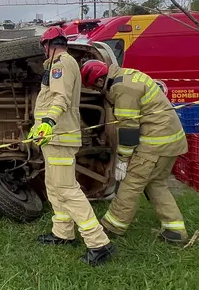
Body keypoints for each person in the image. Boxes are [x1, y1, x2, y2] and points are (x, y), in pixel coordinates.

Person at [27, 26, 116, 266]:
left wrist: (47, 122)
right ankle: (63, 233)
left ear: (47, 46)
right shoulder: (61, 64)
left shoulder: (61, 64)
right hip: (53, 137)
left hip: (59, 135)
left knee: (66, 189)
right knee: (54, 187)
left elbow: (61, 98)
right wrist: (40, 127)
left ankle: (99, 243)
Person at [80, 59, 189, 244]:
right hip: (170, 140)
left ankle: (112, 227)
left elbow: (129, 127)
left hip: (156, 143)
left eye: (97, 88)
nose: (100, 91)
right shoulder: (125, 75)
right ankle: (175, 230)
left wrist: (123, 158)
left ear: (99, 81)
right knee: (155, 183)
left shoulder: (122, 89)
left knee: (132, 183)